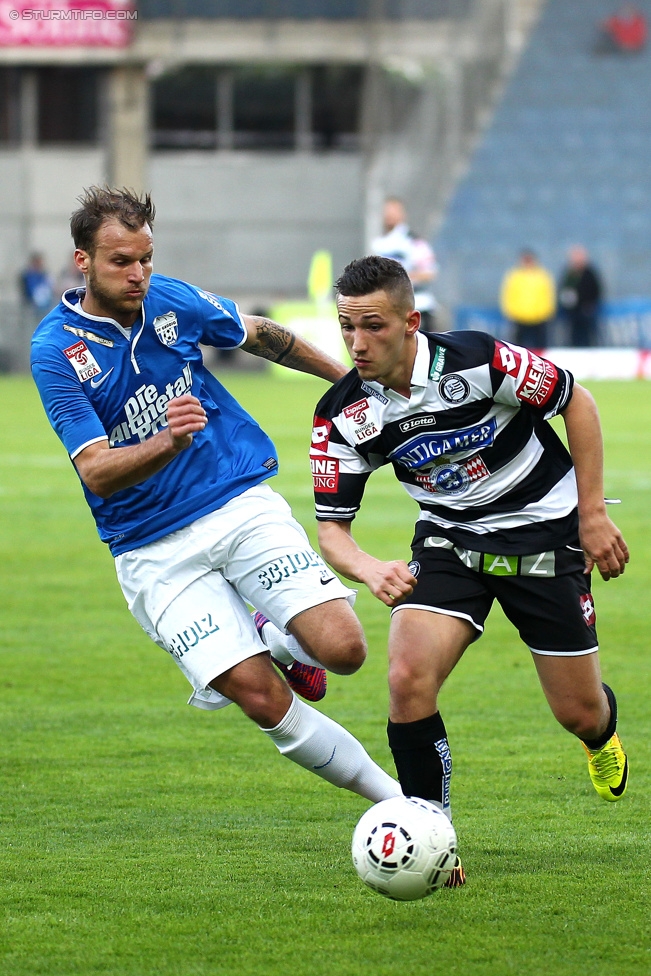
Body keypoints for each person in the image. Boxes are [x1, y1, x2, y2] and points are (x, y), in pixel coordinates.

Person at [31, 187, 402, 812]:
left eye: (145, 257)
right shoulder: (56, 352)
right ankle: (397, 802)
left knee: (345, 651)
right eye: (121, 261)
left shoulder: (168, 299)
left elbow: (256, 333)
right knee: (261, 699)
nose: (139, 274)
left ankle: (277, 636)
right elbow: (95, 471)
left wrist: (349, 383)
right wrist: (167, 441)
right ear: (83, 262)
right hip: (150, 547)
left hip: (234, 500)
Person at [311, 255, 630, 885]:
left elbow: (579, 402)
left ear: (411, 321)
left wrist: (591, 514)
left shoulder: (479, 360)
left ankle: (600, 735)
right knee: (406, 678)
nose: (357, 342)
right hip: (450, 543)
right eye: (347, 327)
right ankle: (434, 834)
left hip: (544, 537)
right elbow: (332, 530)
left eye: (372, 326)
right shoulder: (343, 413)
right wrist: (370, 569)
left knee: (578, 712)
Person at [371, 197, 438, 331]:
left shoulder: (412, 242)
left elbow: (429, 273)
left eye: (393, 211)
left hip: (417, 307)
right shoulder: (379, 243)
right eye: (386, 211)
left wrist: (400, 279)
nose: (389, 214)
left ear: (402, 214)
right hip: (391, 309)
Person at [499, 249, 556, 350]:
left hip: (539, 318)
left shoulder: (542, 275)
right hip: (519, 317)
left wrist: (546, 312)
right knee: (518, 349)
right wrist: (511, 312)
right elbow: (508, 295)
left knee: (540, 347)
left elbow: (549, 295)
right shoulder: (514, 276)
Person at [558, 246, 603, 348]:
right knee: (573, 335)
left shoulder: (590, 273)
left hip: (586, 311)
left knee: (588, 336)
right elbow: (563, 288)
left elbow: (597, 290)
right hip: (572, 311)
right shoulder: (569, 273)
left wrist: (590, 305)